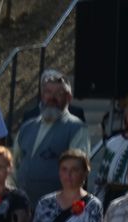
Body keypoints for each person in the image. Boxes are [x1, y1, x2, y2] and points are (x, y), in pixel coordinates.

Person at [12, 70, 91, 205]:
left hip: (57, 206)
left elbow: (78, 170)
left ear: (69, 98)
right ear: (42, 96)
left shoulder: (77, 128)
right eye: (48, 92)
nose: (52, 97)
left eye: (58, 93)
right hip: (23, 205)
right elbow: (12, 164)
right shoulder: (27, 127)